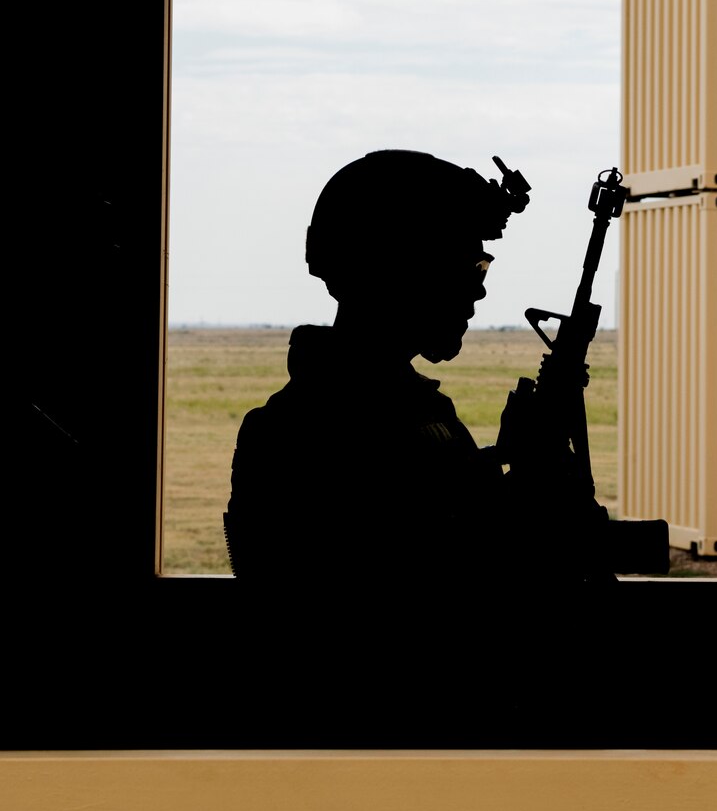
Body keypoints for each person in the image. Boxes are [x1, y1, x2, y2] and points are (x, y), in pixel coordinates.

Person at [223, 149, 585, 586]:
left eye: (482, 266)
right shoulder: (301, 431)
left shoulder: (413, 411)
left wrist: (515, 462)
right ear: (397, 269)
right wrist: (529, 479)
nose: (479, 290)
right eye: (466, 266)